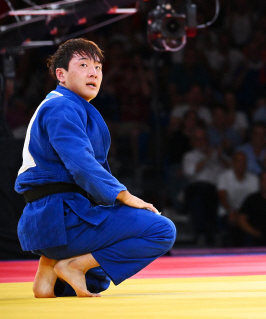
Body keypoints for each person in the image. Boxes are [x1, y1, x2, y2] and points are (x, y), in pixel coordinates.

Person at [14, 38, 176, 298]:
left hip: (48, 222)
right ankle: (72, 264)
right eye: (84, 65)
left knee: (97, 280)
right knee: (161, 229)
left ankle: (48, 274)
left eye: (98, 67)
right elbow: (81, 164)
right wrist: (123, 195)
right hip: (62, 220)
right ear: (61, 75)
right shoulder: (61, 106)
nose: (94, 72)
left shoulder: (62, 104)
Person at [237, 170, 266, 246]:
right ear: (260, 182)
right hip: (256, 237)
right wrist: (253, 232)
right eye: (264, 180)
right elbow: (241, 219)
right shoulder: (251, 199)